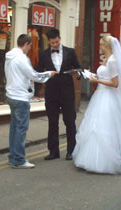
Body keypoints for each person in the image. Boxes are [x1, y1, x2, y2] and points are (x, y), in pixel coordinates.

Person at [72, 35, 121, 174]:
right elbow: (105, 76)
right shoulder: (106, 59)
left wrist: (97, 81)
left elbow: (115, 83)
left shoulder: (113, 61)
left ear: (106, 46)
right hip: (100, 96)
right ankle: (92, 159)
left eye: (101, 45)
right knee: (95, 127)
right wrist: (93, 75)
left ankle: (106, 161)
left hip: (108, 98)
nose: (100, 47)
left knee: (105, 128)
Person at [5, 34, 57, 169]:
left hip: (11, 95)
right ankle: (18, 160)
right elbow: (34, 75)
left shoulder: (9, 57)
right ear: (27, 44)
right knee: (21, 129)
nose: (30, 49)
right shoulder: (21, 58)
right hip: (20, 97)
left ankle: (13, 157)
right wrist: (49, 74)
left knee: (15, 128)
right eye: (30, 46)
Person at [37, 29, 81, 161]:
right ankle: (53, 151)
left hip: (67, 92)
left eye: (56, 42)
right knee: (52, 122)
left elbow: (78, 68)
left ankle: (71, 151)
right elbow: (39, 72)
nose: (55, 45)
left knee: (69, 121)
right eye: (52, 43)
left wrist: (77, 74)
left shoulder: (70, 51)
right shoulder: (43, 54)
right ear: (48, 42)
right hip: (51, 92)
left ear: (60, 38)